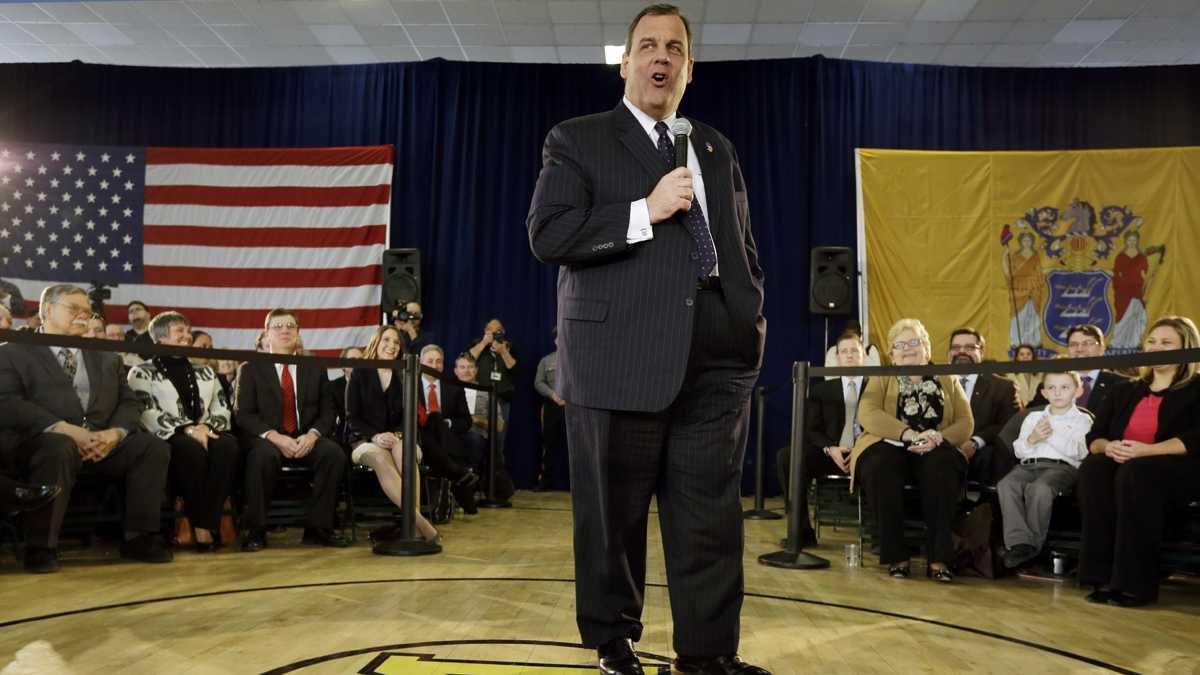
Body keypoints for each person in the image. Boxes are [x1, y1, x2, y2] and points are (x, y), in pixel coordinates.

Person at [527, 5, 768, 673]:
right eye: (648, 46)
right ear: (626, 61)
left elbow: (740, 245)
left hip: (716, 364)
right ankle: (613, 645)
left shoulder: (715, 147)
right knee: (614, 523)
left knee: (709, 524)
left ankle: (708, 654)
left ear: (689, 69)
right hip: (617, 362)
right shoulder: (577, 139)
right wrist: (645, 209)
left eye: (675, 49)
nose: (661, 57)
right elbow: (548, 235)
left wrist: (750, 315)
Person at [0, 284, 173, 573]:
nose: (83, 316)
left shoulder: (106, 356)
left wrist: (114, 433)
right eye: (74, 309)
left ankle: (139, 537)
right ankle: (41, 546)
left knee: (151, 447)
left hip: (101, 443)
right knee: (59, 446)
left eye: (87, 311)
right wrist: (64, 429)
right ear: (47, 311)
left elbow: (130, 403)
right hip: (40, 443)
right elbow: (8, 402)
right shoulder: (12, 352)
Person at [1078, 315, 1200, 607]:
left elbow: (1195, 439)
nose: (1157, 347)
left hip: (1177, 467)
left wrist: (1145, 450)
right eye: (1152, 341)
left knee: (1136, 473)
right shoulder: (1124, 389)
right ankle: (1101, 576)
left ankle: (1135, 585)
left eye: (1167, 343)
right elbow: (1094, 437)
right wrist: (1110, 447)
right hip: (1128, 462)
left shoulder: (1196, 389)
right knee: (1094, 468)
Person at [851, 318, 973, 583]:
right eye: (899, 345)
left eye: (914, 342)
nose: (907, 348)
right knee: (880, 466)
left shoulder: (947, 377)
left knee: (942, 466)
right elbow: (868, 413)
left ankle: (939, 559)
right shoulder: (882, 376)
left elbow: (966, 422)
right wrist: (908, 434)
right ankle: (897, 556)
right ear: (892, 353)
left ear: (927, 348)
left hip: (935, 444)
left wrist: (938, 437)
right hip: (890, 443)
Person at [234, 308, 349, 552]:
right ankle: (256, 530)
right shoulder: (251, 368)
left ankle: (319, 528)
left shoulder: (314, 366)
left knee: (333, 454)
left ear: (298, 333)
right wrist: (275, 437)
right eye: (278, 326)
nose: (285, 330)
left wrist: (313, 435)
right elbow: (243, 414)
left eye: (290, 326)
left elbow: (328, 411)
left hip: (306, 435)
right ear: (267, 333)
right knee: (261, 457)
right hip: (268, 438)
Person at [126, 312, 239, 552]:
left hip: (206, 429)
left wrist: (206, 427)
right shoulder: (141, 372)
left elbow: (221, 404)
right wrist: (186, 428)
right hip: (169, 434)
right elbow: (145, 410)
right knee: (190, 450)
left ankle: (204, 521)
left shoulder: (205, 371)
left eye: (188, 332)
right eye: (180, 332)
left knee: (228, 447)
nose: (188, 336)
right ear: (160, 338)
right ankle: (203, 528)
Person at [346, 325, 439, 544]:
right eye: (386, 340)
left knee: (403, 451)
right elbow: (353, 416)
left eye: (396, 342)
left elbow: (412, 416)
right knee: (380, 457)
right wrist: (376, 437)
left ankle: (412, 528)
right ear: (375, 343)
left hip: (400, 437)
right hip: (366, 439)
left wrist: (397, 434)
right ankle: (420, 525)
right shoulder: (360, 371)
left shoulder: (405, 373)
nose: (391, 346)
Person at [777, 330, 866, 543]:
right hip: (832, 455)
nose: (850, 355)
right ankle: (801, 533)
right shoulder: (822, 390)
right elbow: (811, 429)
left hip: (866, 454)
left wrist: (860, 448)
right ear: (837, 358)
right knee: (788, 457)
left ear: (863, 355)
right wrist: (831, 449)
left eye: (854, 350)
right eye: (844, 352)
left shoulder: (877, 387)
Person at [997, 371, 1091, 569]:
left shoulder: (1082, 420)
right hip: (1028, 464)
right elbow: (1019, 451)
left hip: (1061, 468)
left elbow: (1079, 452)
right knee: (1007, 484)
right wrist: (1032, 439)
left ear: (1078, 391)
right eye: (1052, 388)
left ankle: (1033, 547)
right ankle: (1019, 543)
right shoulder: (1033, 417)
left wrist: (1049, 435)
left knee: (1039, 489)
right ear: (1044, 393)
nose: (1058, 393)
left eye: (1064, 387)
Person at [947, 328, 1019, 486]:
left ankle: (986, 509)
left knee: (993, 455)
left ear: (982, 352)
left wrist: (975, 442)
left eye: (970, 347)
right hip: (943, 449)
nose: (962, 352)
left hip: (983, 452)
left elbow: (1008, 424)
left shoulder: (1003, 387)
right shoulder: (934, 383)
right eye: (956, 347)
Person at [416, 345, 480, 513]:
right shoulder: (409, 384)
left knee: (438, 419)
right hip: (420, 433)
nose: (435, 365)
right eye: (430, 361)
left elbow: (465, 421)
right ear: (420, 363)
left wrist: (449, 423)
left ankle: (454, 477)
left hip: (447, 435)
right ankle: (460, 476)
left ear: (443, 365)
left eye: (439, 362)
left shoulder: (453, 387)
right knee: (434, 418)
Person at [1028, 324, 1123, 416]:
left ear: (1102, 348)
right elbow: (1032, 414)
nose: (1080, 349)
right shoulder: (1049, 384)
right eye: (1073, 344)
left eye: (1087, 343)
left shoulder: (1119, 385)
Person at [533, 330, 566, 492]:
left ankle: (577, 483)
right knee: (549, 445)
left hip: (574, 408)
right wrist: (553, 394)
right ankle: (546, 481)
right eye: (560, 337)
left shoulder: (579, 360)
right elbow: (538, 383)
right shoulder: (546, 361)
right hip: (552, 406)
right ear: (555, 341)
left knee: (577, 448)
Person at [1006, 343, 1043, 408]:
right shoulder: (1010, 375)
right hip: (1018, 410)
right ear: (1017, 357)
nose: (1025, 356)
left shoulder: (1041, 374)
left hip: (1038, 409)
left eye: (1028, 354)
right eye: (1021, 354)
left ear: (1033, 356)